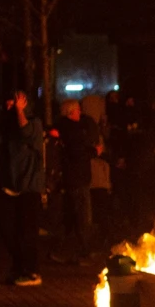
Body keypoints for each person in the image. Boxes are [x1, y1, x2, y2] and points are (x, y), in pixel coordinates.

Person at [0, 89, 46, 286]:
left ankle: (32, 271)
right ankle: (19, 266)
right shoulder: (6, 125)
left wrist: (19, 112)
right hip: (10, 185)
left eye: (16, 103)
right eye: (9, 103)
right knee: (8, 229)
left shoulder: (33, 122)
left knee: (27, 232)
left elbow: (25, 131)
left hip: (29, 186)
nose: (11, 107)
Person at [52, 98, 102, 262]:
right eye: (77, 110)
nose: (80, 112)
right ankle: (81, 251)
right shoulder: (71, 130)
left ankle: (63, 251)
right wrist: (95, 152)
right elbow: (77, 153)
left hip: (77, 177)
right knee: (82, 216)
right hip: (77, 178)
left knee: (74, 216)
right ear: (70, 112)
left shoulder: (70, 128)